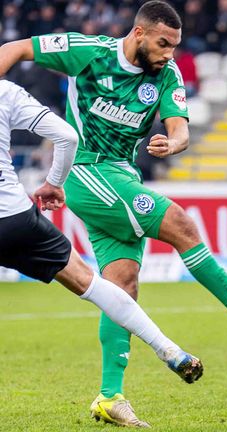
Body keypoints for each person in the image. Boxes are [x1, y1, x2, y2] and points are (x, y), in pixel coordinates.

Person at [0, 1, 227, 426]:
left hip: (123, 177)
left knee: (122, 287)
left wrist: (175, 143)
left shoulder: (166, 74)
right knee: (181, 224)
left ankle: (110, 396)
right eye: (163, 44)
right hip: (85, 171)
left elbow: (179, 125)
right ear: (139, 33)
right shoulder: (88, 51)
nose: (170, 53)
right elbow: (18, 46)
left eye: (175, 46)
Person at [0, 79, 203, 427]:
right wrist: (54, 181)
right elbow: (68, 136)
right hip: (13, 218)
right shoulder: (5, 91)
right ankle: (168, 349)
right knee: (91, 282)